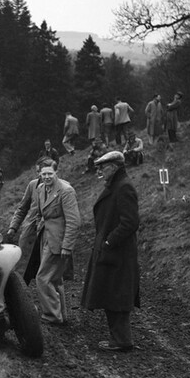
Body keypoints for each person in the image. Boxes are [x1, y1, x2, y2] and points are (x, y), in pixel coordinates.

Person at [80, 150, 140, 352]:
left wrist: (109, 241)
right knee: (111, 293)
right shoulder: (117, 185)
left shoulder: (123, 187)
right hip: (113, 251)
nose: (100, 171)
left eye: (103, 167)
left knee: (117, 295)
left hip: (118, 252)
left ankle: (122, 340)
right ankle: (119, 338)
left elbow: (130, 222)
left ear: (114, 167)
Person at [29, 158, 81, 326]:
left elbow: (74, 221)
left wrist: (67, 246)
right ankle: (61, 315)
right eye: (43, 174)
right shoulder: (40, 189)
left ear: (56, 172)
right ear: (39, 173)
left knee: (43, 278)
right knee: (55, 279)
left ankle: (51, 315)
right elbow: (39, 213)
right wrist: (38, 226)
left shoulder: (66, 191)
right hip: (45, 237)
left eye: (50, 173)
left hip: (58, 241)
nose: (46, 177)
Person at [5, 163, 42, 277]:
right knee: (22, 267)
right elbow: (22, 208)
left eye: (46, 172)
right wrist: (13, 227)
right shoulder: (33, 185)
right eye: (39, 172)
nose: (41, 175)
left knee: (48, 271)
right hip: (31, 229)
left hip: (49, 232)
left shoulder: (62, 188)